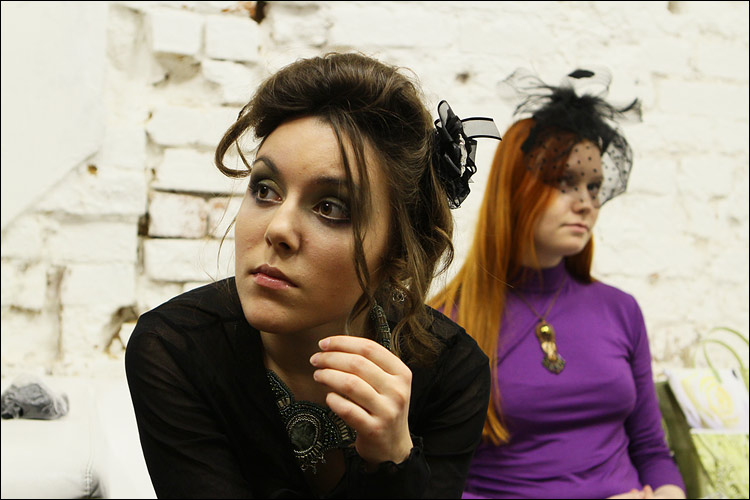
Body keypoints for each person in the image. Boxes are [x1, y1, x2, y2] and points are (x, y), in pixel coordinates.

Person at [126, 52, 501, 498]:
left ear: (397, 251)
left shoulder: (451, 371)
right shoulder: (175, 348)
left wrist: (393, 459)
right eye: (265, 190)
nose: (278, 229)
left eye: (330, 207)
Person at [429, 69, 686, 499]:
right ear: (518, 189)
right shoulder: (446, 323)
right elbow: (438, 483)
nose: (586, 203)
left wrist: (668, 495)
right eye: (566, 182)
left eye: (594, 186)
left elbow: (652, 450)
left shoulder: (621, 311)